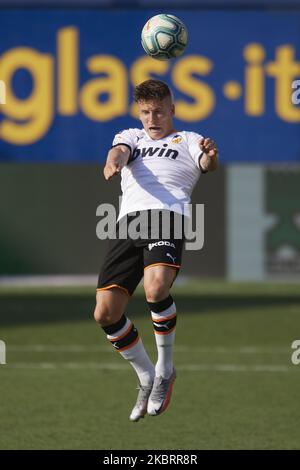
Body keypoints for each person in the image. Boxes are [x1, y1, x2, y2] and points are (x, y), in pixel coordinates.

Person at [93, 79, 218, 422]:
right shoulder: (131, 136)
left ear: (172, 110)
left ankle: (165, 370)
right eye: (146, 112)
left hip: (168, 216)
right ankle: (146, 376)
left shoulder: (188, 140)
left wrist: (208, 156)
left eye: (159, 111)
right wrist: (113, 161)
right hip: (127, 224)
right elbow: (119, 151)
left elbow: (206, 164)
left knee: (156, 287)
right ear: (139, 112)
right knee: (105, 313)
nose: (152, 118)